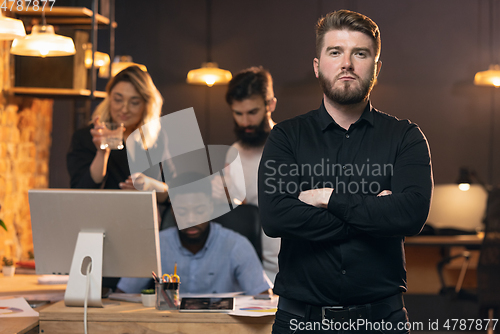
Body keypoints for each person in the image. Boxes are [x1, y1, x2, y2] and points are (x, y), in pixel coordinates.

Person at [258, 10, 433, 333]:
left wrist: (327, 198)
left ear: (376, 68)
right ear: (317, 65)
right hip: (299, 321)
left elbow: (410, 214)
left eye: (360, 53)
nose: (347, 63)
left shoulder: (406, 137)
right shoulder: (286, 137)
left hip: (382, 321)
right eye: (335, 52)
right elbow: (275, 218)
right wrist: (374, 213)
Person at [117, 172, 272, 296]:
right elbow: (123, 294)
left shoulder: (236, 245)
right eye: (182, 212)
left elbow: (263, 298)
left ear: (211, 208)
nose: (190, 220)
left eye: (199, 211)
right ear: (172, 211)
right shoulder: (156, 245)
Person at [67, 65, 174, 203]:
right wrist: (102, 153)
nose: (124, 109)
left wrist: (150, 187)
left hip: (143, 220)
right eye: (118, 100)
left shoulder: (157, 139)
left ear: (146, 105)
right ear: (109, 98)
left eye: (134, 103)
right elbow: (81, 192)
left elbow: (174, 193)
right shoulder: (85, 137)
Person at [217, 66, 280, 283]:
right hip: (247, 271)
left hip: (288, 269)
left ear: (270, 104)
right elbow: (238, 213)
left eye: (252, 112)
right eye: (238, 114)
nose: (245, 122)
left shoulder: (291, 148)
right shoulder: (233, 152)